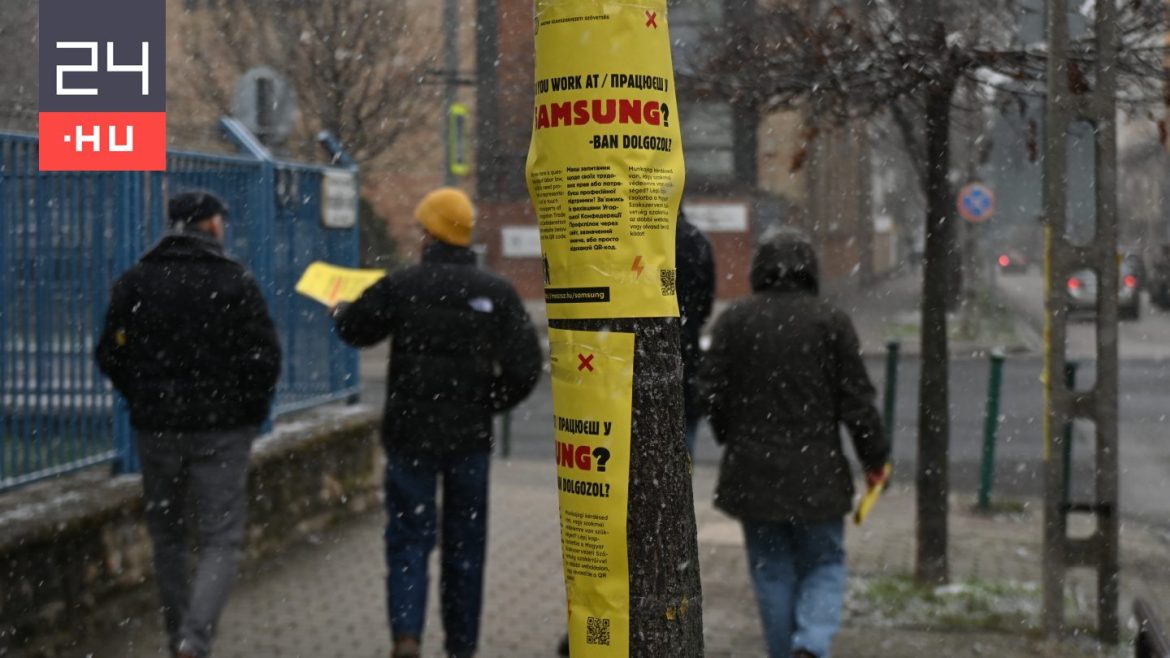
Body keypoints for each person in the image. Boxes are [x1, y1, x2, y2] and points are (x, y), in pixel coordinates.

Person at [332, 187, 542, 658]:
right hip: (469, 440)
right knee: (466, 546)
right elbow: (526, 367)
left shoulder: (403, 284)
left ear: (430, 232)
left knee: (408, 536)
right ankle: (461, 645)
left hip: (411, 436)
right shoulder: (496, 292)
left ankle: (407, 634)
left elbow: (356, 330)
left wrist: (341, 309)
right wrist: (487, 401)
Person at [95, 191, 282, 658]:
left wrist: (144, 396)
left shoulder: (136, 281)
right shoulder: (235, 281)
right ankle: (194, 641)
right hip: (223, 430)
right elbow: (265, 357)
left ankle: (178, 633)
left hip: (157, 428)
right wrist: (248, 412)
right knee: (221, 537)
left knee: (168, 537)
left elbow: (110, 353)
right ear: (211, 225)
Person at [698, 228, 888, 658]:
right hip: (817, 469)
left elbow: (709, 391)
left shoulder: (736, 320)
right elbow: (857, 401)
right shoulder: (830, 321)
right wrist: (874, 458)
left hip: (753, 471)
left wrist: (731, 432)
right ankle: (812, 642)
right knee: (824, 562)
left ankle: (786, 652)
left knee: (771, 570)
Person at [675, 209, 716, 457]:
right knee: (686, 427)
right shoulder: (695, 240)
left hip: (638, 352)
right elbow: (706, 303)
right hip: (686, 343)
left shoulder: (636, 239)